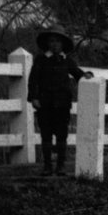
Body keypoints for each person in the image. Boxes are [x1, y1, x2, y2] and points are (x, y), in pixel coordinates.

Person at [29, 29, 93, 176]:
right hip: (45, 104)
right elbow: (33, 80)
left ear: (63, 44)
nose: (55, 44)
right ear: (47, 43)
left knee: (61, 135)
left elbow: (77, 73)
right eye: (52, 41)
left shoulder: (66, 60)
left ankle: (61, 166)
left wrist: (86, 75)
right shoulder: (41, 60)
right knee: (46, 134)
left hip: (62, 104)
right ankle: (47, 166)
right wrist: (34, 98)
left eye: (58, 41)